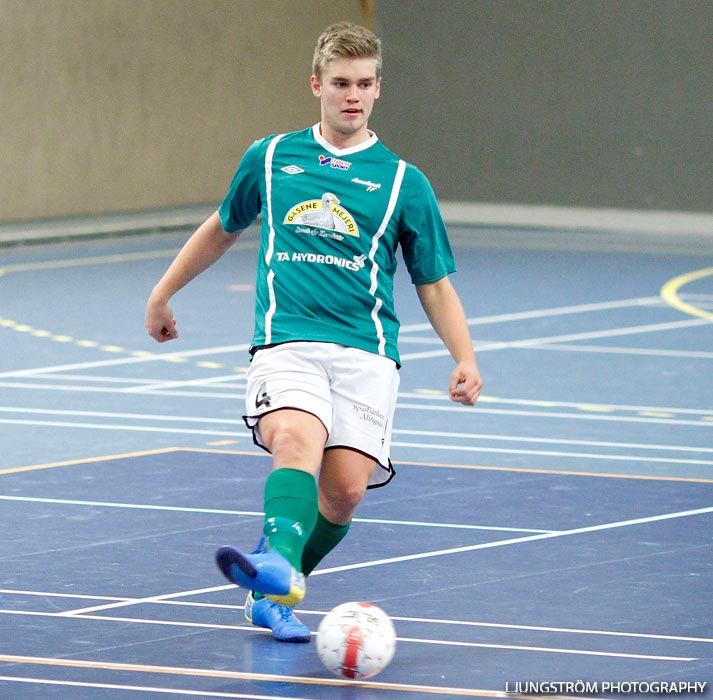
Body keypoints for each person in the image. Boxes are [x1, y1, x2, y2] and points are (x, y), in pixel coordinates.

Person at [146, 21, 482, 644]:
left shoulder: (406, 183)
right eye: (339, 83)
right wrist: (164, 292)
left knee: (346, 491)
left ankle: (274, 583)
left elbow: (433, 282)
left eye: (363, 83)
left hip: (367, 352)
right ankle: (275, 569)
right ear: (316, 86)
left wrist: (464, 356)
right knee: (296, 442)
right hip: (288, 342)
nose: (351, 94)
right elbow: (223, 226)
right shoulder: (271, 157)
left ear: (378, 89)